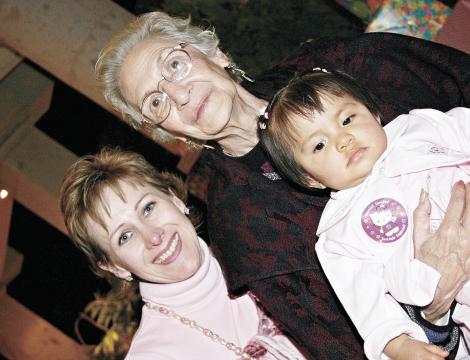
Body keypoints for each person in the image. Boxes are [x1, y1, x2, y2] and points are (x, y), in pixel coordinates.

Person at [95, 11, 470, 359]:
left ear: (214, 52)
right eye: (156, 102)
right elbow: (348, 346)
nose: (179, 95)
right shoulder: (247, 233)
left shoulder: (341, 67)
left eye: (174, 65)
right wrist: (432, 314)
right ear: (166, 131)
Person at [259, 70, 470, 359]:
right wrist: (400, 344)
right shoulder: (339, 234)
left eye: (347, 120)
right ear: (310, 178)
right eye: (319, 145)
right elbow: (368, 307)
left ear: (373, 113)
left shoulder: (420, 127)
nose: (343, 139)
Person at [59, 147, 306, 360]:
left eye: (148, 208)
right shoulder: (154, 355)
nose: (153, 236)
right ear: (115, 267)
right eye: (125, 237)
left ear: (174, 199)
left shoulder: (264, 244)